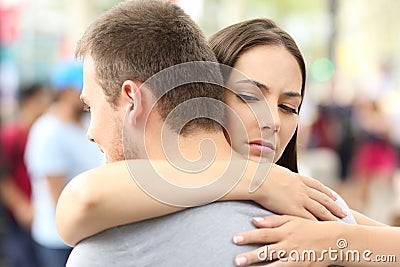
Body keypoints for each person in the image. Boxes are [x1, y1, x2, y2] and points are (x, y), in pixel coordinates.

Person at [55, 1, 356, 266]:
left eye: (290, 107)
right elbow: (84, 198)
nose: (272, 121)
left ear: (134, 100)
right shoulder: (321, 210)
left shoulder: (110, 249)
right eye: (250, 96)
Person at [24, 61, 104, 267]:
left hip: (87, 233)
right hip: (60, 239)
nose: (87, 95)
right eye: (82, 88)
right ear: (65, 91)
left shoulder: (86, 123)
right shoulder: (48, 132)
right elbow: (57, 198)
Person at [0, 83, 51, 267]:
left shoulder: (41, 131)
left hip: (40, 210)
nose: (47, 104)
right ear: (28, 102)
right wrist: (20, 205)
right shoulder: (12, 134)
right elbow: (3, 175)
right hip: (22, 213)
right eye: (41, 99)